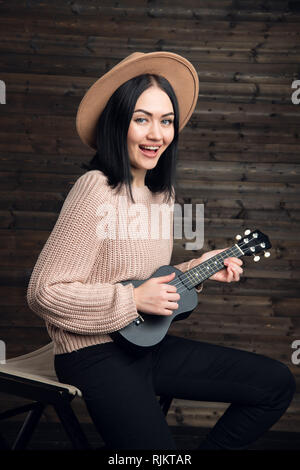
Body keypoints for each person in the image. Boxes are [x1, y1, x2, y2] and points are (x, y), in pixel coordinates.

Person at [27, 51, 295, 450]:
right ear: (118, 123)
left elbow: (144, 276)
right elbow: (43, 292)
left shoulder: (160, 194)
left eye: (166, 121)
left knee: (276, 384)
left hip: (146, 347)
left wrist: (197, 268)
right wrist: (131, 298)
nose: (157, 134)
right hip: (94, 354)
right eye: (142, 119)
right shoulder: (94, 190)